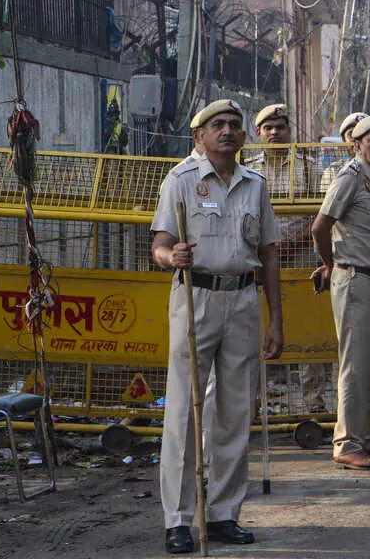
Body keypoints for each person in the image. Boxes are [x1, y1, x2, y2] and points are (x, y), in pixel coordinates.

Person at [151, 99, 283, 553]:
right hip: (196, 297)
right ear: (199, 136)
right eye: (217, 125)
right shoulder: (181, 179)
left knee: (235, 411)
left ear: (244, 137)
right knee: (184, 411)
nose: (227, 131)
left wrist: (276, 320)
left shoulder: (255, 185)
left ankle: (225, 513)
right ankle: (178, 519)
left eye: (233, 125)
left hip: (244, 300)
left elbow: (269, 254)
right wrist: (172, 256)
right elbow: (160, 244)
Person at [310, 115, 370, 471]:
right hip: (354, 278)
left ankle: (363, 437)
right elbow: (320, 226)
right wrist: (329, 263)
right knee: (354, 365)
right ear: (356, 144)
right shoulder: (350, 176)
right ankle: (346, 443)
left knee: (368, 364)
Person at [243, 104, 322, 407]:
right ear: (258, 133)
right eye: (268, 128)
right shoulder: (247, 168)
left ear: (289, 131)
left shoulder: (308, 167)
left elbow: (322, 214)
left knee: (307, 323)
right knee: (256, 323)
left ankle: (314, 400)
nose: (274, 132)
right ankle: (255, 400)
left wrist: (294, 242)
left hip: (300, 254)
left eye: (280, 127)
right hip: (258, 256)